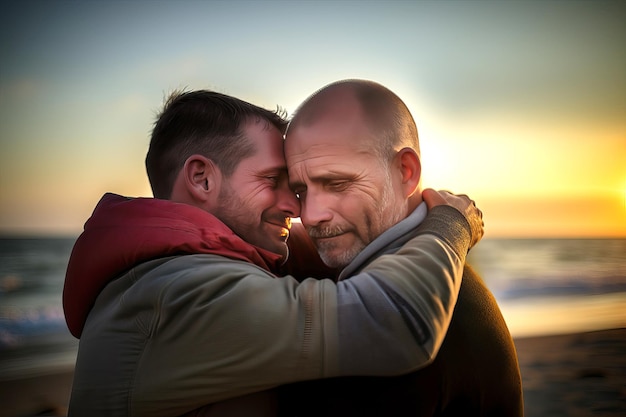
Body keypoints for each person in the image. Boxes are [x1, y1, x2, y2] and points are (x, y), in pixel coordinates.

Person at [62, 90, 484, 417]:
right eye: (272, 180)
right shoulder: (182, 292)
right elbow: (396, 322)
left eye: (297, 187)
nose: (298, 207)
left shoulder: (170, 267)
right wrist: (450, 224)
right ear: (201, 178)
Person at [277, 79, 523, 416]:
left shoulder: (411, 322)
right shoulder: (426, 271)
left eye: (336, 184)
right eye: (301, 191)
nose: (311, 215)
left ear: (405, 172)